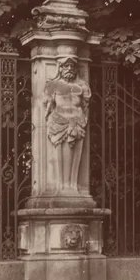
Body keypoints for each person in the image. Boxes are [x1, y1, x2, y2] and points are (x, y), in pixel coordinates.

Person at [44, 56, 91, 192]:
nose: (69, 68)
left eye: (72, 66)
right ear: (60, 68)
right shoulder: (52, 85)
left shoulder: (82, 86)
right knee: (59, 157)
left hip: (78, 122)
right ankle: (61, 188)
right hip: (58, 123)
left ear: (76, 69)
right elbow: (48, 106)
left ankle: (72, 188)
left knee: (76, 156)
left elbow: (85, 106)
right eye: (66, 66)